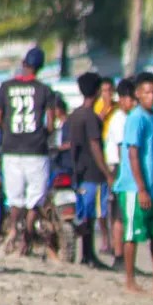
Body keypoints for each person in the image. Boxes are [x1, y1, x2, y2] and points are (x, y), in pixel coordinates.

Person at [0, 47, 53, 256]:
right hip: (36, 149)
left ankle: (12, 230)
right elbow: (51, 123)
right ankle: (26, 237)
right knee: (34, 199)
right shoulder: (44, 90)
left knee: (15, 198)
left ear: (24, 64)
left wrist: (8, 133)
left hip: (11, 148)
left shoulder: (6, 86)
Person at [114, 72, 153, 294]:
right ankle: (130, 280)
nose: (151, 97)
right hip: (134, 187)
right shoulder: (136, 118)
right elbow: (133, 153)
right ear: (138, 94)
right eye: (146, 93)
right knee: (132, 234)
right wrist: (142, 188)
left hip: (151, 187)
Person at [65, 72, 113, 269]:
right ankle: (89, 254)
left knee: (85, 213)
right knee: (91, 215)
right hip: (93, 173)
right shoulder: (91, 117)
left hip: (79, 171)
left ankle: (87, 254)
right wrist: (108, 174)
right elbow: (95, 146)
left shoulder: (75, 115)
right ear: (97, 91)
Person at [106, 79, 136, 264]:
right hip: (118, 168)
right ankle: (119, 255)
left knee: (124, 214)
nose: (134, 104)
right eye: (131, 99)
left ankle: (123, 256)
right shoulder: (119, 119)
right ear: (123, 99)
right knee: (119, 214)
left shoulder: (128, 118)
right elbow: (120, 149)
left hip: (122, 168)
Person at [93, 77, 116, 255]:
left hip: (115, 158)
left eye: (110, 90)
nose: (108, 94)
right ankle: (105, 239)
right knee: (102, 203)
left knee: (114, 202)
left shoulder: (118, 108)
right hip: (103, 158)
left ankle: (115, 240)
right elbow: (96, 124)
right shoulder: (98, 107)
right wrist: (105, 109)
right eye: (104, 91)